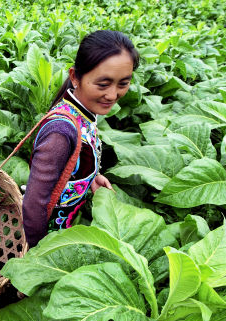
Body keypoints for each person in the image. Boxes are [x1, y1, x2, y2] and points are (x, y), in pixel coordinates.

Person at [22, 30, 139, 247]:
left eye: (123, 84)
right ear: (75, 77)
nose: (113, 95)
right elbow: (33, 207)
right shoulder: (60, 131)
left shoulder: (83, 112)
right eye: (103, 84)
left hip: (69, 232)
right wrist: (39, 260)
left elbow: (73, 160)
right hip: (51, 243)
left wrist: (91, 176)